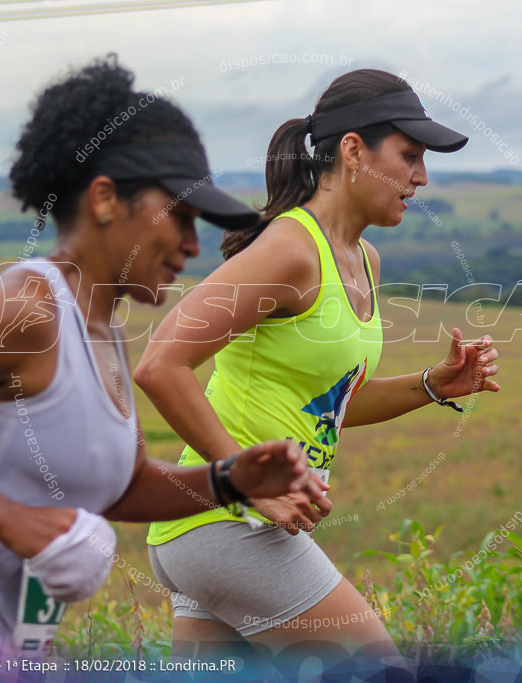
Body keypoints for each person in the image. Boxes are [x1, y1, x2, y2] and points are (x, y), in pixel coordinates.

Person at [0, 55, 326, 666]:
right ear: (106, 198)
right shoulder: (30, 308)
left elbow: (120, 486)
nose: (194, 244)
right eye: (182, 217)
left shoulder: (101, 332)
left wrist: (227, 481)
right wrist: (11, 522)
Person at [138, 68, 501, 670]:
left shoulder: (364, 260)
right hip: (230, 526)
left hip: (209, 534)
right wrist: (245, 482)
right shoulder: (290, 250)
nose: (422, 176)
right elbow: (160, 364)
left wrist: (433, 386)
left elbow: (329, 404)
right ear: (354, 150)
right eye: (409, 155)